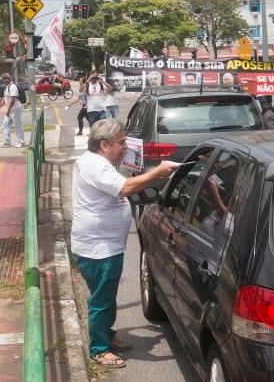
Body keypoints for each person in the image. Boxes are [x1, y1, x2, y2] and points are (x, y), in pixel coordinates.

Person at [71, 119, 179, 369]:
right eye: (121, 143)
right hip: (99, 248)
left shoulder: (96, 161)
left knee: (104, 296)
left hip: (102, 244)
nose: (124, 147)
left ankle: (105, 334)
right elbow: (125, 188)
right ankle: (98, 348)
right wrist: (158, 172)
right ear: (104, 144)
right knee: (102, 299)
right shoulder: (97, 166)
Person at [0, 73, 26, 148]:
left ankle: (22, 142)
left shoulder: (12, 87)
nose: (4, 80)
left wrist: (8, 110)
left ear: (10, 79)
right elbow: (5, 99)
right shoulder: (7, 87)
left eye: (6, 79)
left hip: (16, 110)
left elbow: (13, 100)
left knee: (18, 126)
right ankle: (7, 142)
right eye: (3, 79)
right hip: (11, 110)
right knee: (5, 125)